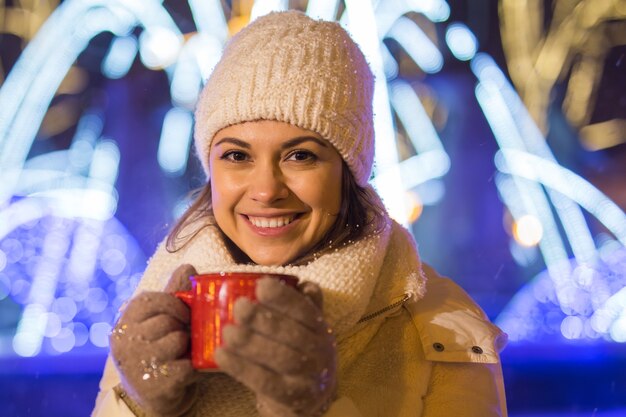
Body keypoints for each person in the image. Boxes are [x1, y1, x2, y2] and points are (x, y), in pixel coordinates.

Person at [92, 10, 508, 417]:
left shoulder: (441, 325)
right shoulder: (155, 311)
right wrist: (136, 405)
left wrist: (315, 408)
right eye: (237, 155)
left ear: (348, 171)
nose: (266, 189)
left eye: (300, 155)